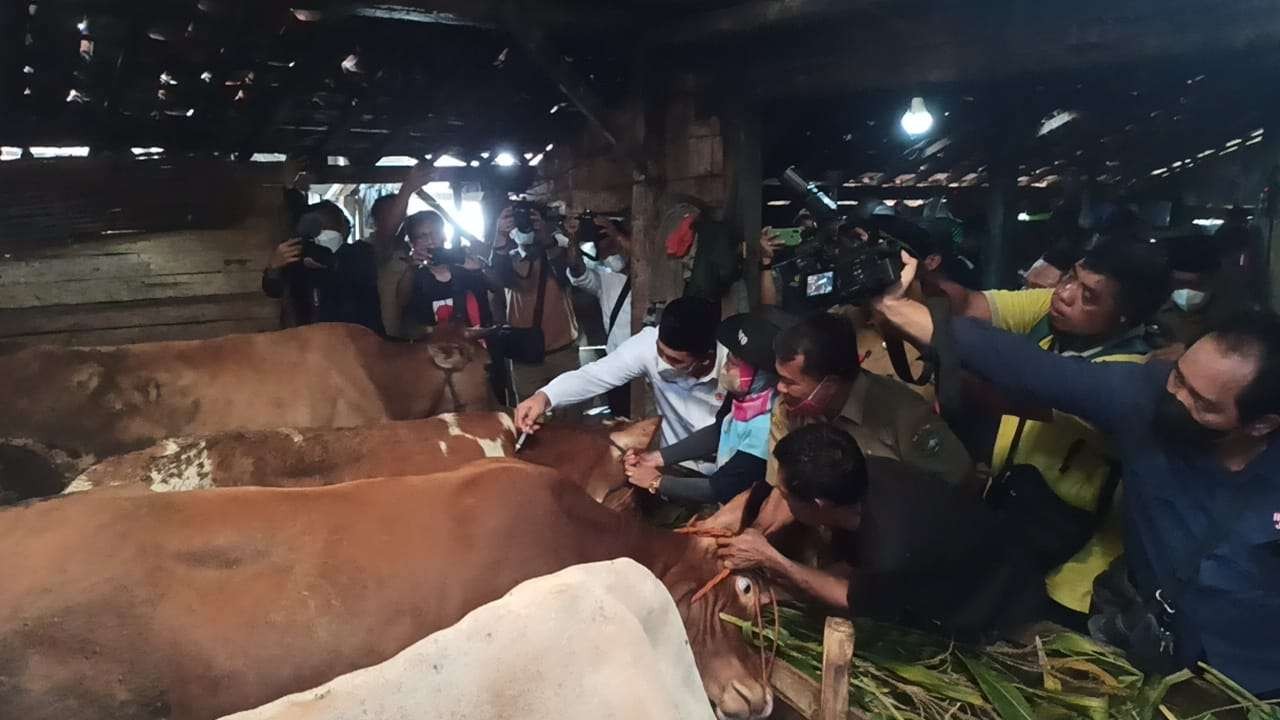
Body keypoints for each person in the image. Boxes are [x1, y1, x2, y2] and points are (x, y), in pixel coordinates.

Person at [874, 253, 1280, 695]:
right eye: (1178, 378)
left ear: (1262, 424)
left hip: (1252, 685)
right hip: (1154, 662)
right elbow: (1025, 367)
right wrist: (892, 305)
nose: (1176, 399)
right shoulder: (1142, 403)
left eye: (1203, 404)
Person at [911, 239, 1169, 618]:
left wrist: (931, 340)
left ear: (1125, 317)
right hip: (1014, 524)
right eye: (1069, 278)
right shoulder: (1054, 324)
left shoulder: (1125, 385)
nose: (1064, 295)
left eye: (1089, 296)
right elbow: (965, 303)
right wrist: (912, 276)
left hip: (1070, 574)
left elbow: (1005, 395)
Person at [713, 424, 1026, 633]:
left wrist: (772, 560)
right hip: (960, 543)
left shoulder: (890, 548)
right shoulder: (860, 473)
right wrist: (759, 538)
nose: (779, 500)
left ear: (819, 505)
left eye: (785, 495)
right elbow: (852, 565)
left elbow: (849, 595)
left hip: (985, 595)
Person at [513, 297, 724, 474]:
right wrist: (544, 397)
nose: (662, 361)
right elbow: (594, 375)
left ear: (705, 359)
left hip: (726, 468)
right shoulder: (646, 347)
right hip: (673, 464)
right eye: (660, 352)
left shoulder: (735, 369)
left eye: (675, 360)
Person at [768, 312, 972, 488]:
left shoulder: (904, 416)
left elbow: (960, 480)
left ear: (829, 385)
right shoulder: (788, 409)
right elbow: (783, 488)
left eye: (789, 381)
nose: (780, 388)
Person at [624, 312, 782, 504]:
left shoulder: (766, 426)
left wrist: (657, 482)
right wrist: (657, 458)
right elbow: (718, 431)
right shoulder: (745, 399)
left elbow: (722, 487)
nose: (724, 367)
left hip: (746, 511)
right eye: (728, 358)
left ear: (759, 376)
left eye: (733, 363)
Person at [492, 204, 581, 405]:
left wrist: (546, 237)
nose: (525, 227)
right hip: (525, 356)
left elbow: (572, 272)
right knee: (530, 418)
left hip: (562, 352)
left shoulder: (557, 253)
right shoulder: (508, 260)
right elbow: (496, 279)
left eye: (531, 221)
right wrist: (500, 235)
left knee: (570, 418)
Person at [263, 200, 380, 331]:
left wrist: (329, 263)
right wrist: (273, 267)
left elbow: (357, 276)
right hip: (308, 340)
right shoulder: (297, 259)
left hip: (356, 339)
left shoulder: (360, 253)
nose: (324, 232)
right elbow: (273, 290)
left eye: (330, 226)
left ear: (343, 228)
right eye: (319, 227)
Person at [396, 210, 498, 335]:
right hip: (437, 350)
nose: (430, 240)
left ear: (444, 235)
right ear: (412, 243)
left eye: (435, 233)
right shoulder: (415, 275)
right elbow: (402, 302)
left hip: (479, 347)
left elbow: (497, 286)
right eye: (422, 236)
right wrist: (411, 268)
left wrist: (475, 264)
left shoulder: (465, 261)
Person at [371, 163, 433, 338]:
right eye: (393, 215)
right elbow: (388, 232)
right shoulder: (375, 247)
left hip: (413, 335)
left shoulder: (410, 249)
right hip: (388, 338)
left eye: (401, 213)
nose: (399, 219)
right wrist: (407, 189)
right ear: (376, 221)